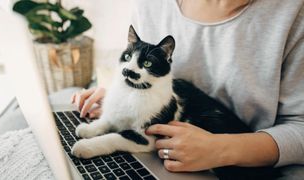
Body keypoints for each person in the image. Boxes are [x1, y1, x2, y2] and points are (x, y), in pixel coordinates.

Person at [71, 0, 304, 178]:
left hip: (247, 171)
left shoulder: (293, 13)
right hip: (157, 155)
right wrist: (124, 95)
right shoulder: (152, 5)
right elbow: (146, 69)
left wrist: (223, 149)